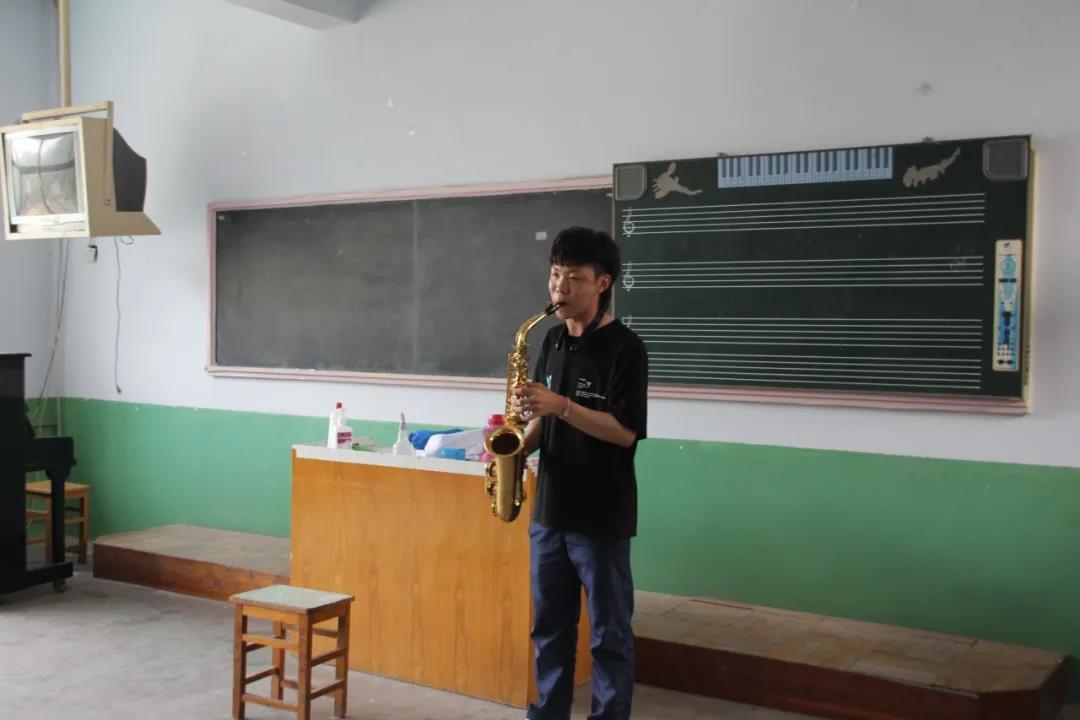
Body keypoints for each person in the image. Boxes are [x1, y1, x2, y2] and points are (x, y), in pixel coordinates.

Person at [512, 226, 648, 720]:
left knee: (609, 635)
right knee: (549, 628)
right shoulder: (550, 340)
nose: (560, 288)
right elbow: (542, 421)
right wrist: (516, 446)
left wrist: (563, 406)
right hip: (549, 514)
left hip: (601, 518)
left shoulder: (626, 348)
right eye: (554, 276)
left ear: (602, 282)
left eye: (574, 278)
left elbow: (625, 432)